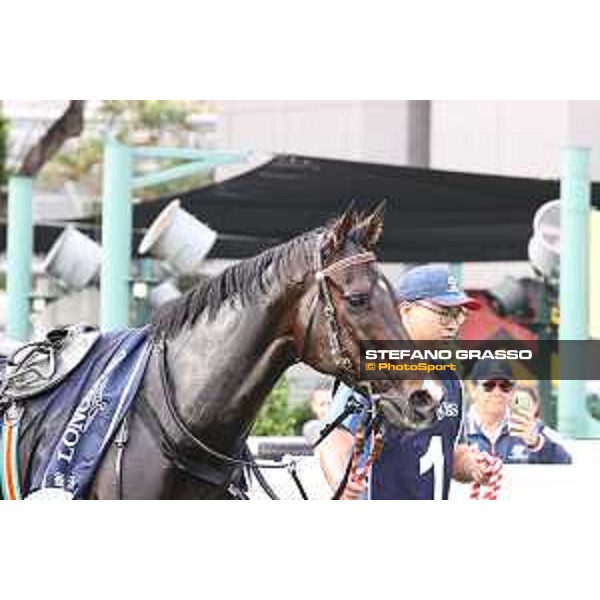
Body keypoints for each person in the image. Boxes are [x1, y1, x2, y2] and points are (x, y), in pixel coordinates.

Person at [318, 264, 495, 500]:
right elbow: (334, 438)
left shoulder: (451, 379)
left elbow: (449, 452)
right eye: (444, 313)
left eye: (459, 313)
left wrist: (473, 465)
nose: (453, 324)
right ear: (405, 311)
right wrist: (341, 479)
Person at [462, 361, 572, 464]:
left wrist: (538, 444)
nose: (497, 392)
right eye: (489, 385)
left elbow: (566, 463)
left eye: (505, 386)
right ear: (473, 389)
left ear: (513, 391)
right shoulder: (455, 429)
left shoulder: (532, 427)